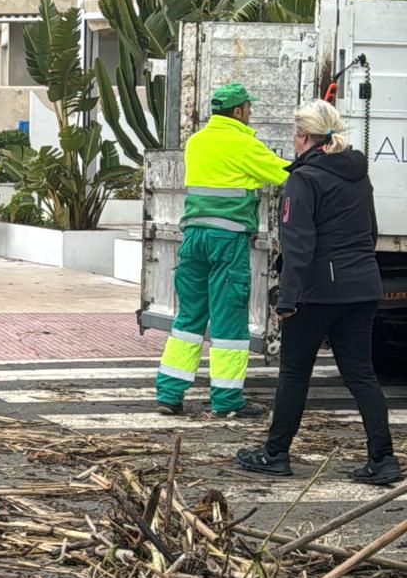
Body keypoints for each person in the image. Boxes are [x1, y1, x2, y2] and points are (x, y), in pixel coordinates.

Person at [236, 101, 399, 483]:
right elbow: (370, 232)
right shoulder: (359, 175)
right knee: (361, 374)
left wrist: (288, 299)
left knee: (294, 373)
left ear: (306, 137)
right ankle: (383, 458)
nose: (293, 141)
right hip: (362, 286)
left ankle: (276, 452)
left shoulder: (304, 180)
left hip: (318, 291)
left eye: (295, 134)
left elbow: (298, 245)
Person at [157, 83, 291, 418]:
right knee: (229, 321)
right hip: (226, 240)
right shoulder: (245, 144)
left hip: (193, 238)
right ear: (237, 111)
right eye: (248, 107)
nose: (251, 112)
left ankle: (169, 393)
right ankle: (228, 401)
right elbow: (283, 174)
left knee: (189, 317)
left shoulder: (196, 142)